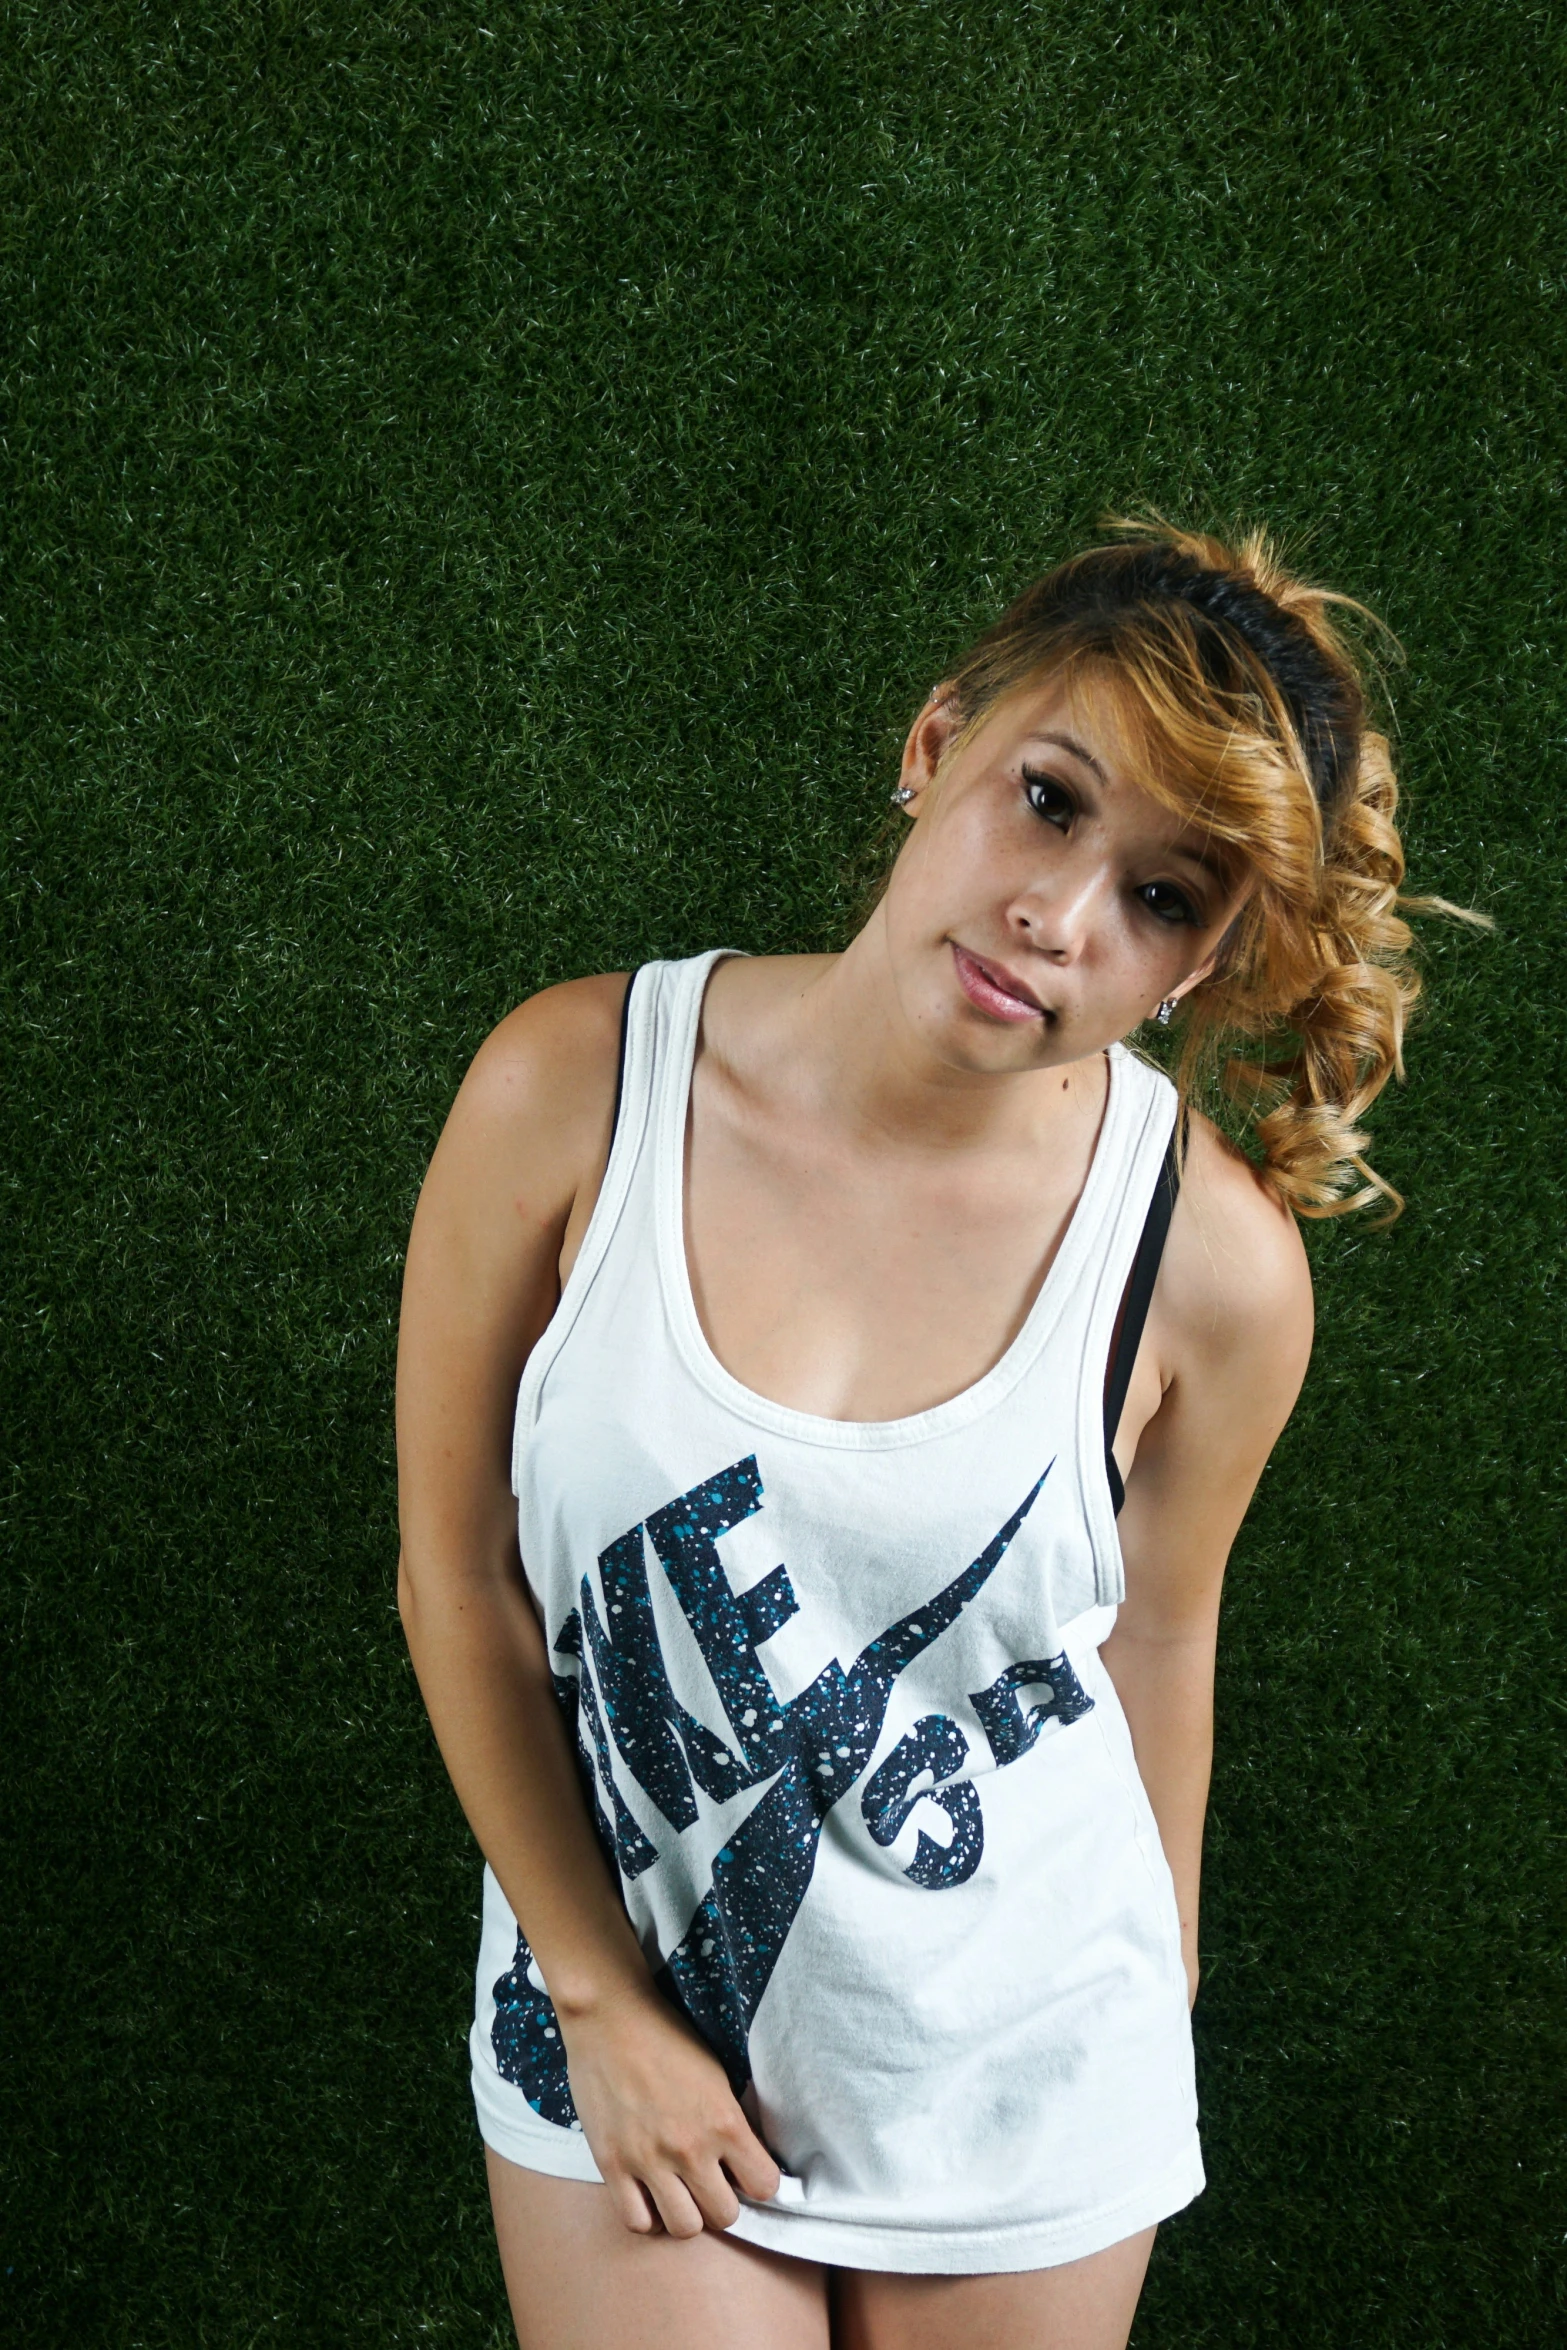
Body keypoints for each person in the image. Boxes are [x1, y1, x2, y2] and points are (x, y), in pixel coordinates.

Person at [395, 522, 1459, 2350]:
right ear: (932, 742)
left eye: (1162, 896)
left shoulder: (1209, 1266)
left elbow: (1157, 1638)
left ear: (1201, 963)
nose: (1061, 912)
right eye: (1046, 800)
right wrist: (597, 1999)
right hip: (634, 2013)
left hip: (1016, 2056)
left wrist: (1146, 2018)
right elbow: (457, 1570)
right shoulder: (572, 1086)